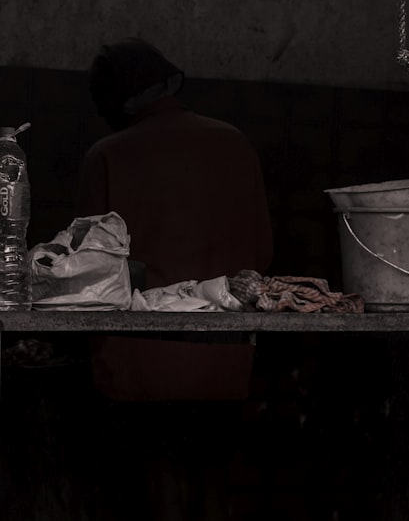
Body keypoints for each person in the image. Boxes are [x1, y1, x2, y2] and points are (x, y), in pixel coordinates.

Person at [74, 37, 274, 519]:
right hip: (228, 362)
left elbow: (84, 275)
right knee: (213, 484)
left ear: (112, 103)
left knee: (157, 486)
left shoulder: (106, 155)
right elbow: (263, 253)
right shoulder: (236, 142)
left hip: (141, 364)